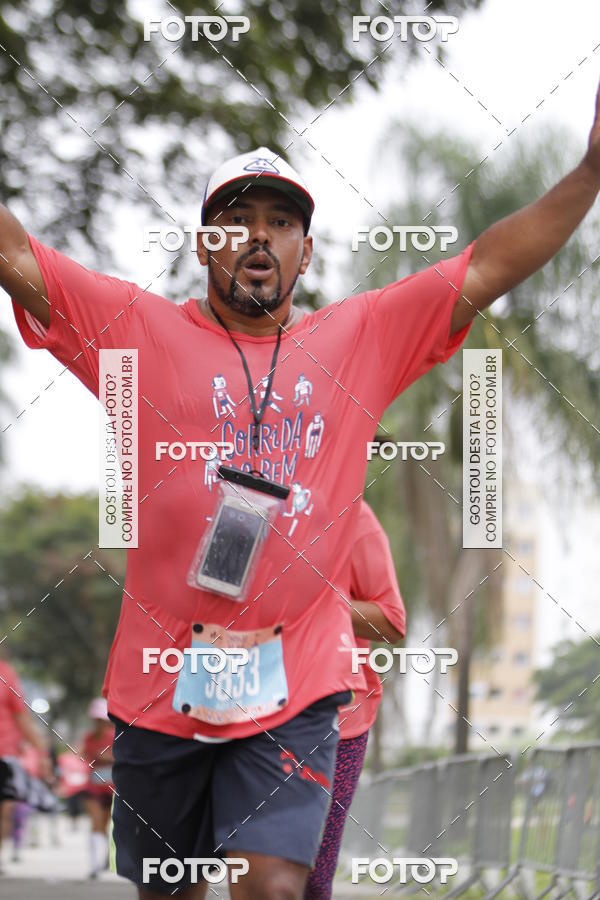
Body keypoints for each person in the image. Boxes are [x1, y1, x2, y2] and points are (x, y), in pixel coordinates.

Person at [2, 80, 600, 895]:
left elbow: (488, 263)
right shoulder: (134, 329)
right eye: (237, 221)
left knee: (276, 885)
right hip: (160, 679)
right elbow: (15, 257)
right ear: (205, 240)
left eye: (280, 223)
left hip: (296, 681)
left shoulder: (360, 337)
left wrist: (591, 172)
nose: (259, 238)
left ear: (305, 252)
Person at [305, 500, 406, 899]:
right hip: (244, 710)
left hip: (338, 718)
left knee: (312, 876)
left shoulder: (354, 516)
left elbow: (392, 620)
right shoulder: (241, 499)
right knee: (255, 870)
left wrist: (311, 602)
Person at [0, 653, 51, 870]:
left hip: (5, 755)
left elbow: (21, 716)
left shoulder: (6, 673)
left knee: (5, 809)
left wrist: (42, 753)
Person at [81, 698, 115, 879]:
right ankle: (94, 864)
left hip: (112, 787)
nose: (100, 723)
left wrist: (109, 758)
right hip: (93, 786)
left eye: (103, 719)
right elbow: (84, 756)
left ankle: (104, 857)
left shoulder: (116, 735)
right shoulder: (89, 737)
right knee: (96, 821)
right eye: (97, 720)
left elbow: (121, 757)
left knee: (105, 824)